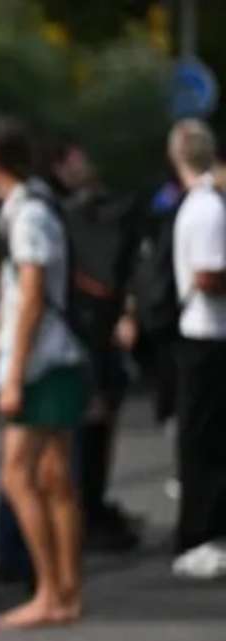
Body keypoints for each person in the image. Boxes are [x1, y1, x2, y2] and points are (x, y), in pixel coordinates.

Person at [0, 118, 87, 628]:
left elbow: (35, 295)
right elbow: (29, 293)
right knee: (55, 477)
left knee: (16, 475)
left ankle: (49, 592)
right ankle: (66, 593)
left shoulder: (27, 216)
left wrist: (14, 373)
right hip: (57, 356)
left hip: (41, 363)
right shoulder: (35, 205)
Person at [48, 140, 144, 552]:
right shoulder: (63, 216)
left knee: (96, 427)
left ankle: (91, 509)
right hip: (82, 335)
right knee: (83, 430)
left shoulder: (86, 214)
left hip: (97, 334)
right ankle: (85, 513)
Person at [166, 119, 226, 580]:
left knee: (203, 439)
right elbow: (208, 276)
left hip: (202, 335)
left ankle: (201, 533)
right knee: (202, 442)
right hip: (206, 335)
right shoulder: (208, 207)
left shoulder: (198, 203)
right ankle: (198, 537)